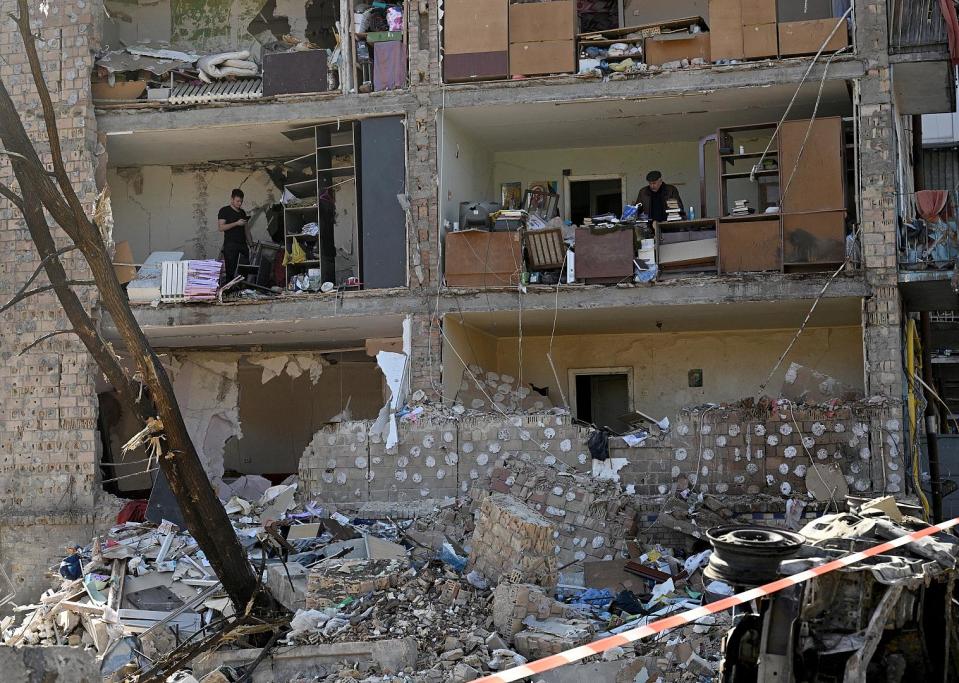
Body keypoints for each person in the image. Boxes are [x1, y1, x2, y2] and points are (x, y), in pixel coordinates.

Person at [218, 188, 250, 280]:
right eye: (238, 201)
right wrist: (236, 223)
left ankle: (242, 291)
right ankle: (229, 291)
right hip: (230, 245)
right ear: (232, 199)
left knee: (244, 270)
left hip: (243, 245)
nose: (239, 203)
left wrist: (251, 245)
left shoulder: (242, 212)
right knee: (230, 271)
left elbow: (246, 230)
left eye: (241, 201)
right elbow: (221, 227)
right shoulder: (224, 210)